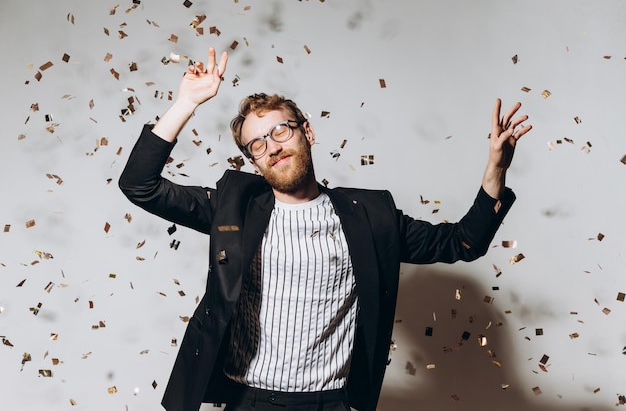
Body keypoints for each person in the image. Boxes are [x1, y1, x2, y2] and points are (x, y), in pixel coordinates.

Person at [119, 47, 532, 411]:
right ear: (252, 162)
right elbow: (140, 185)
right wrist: (185, 103)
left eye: (280, 131)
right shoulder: (234, 207)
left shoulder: (371, 217)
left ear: (307, 132)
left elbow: (462, 242)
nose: (273, 147)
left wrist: (495, 171)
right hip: (248, 401)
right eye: (257, 145)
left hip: (330, 402)